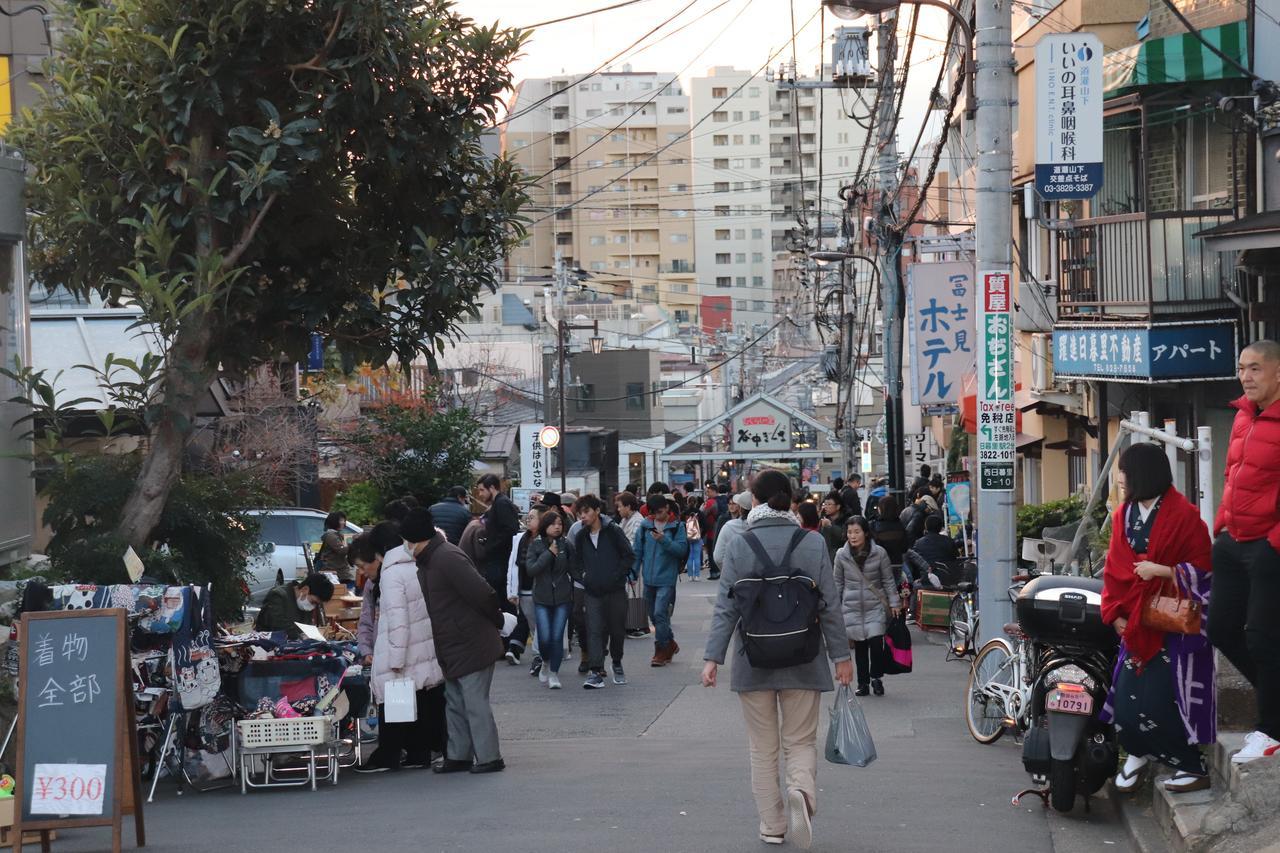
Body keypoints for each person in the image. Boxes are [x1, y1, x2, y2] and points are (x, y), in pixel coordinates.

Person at [702, 470, 853, 849]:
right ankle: (801, 790)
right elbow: (830, 605)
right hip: (804, 655)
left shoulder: (739, 543)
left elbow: (726, 607)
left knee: (762, 747)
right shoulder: (812, 543)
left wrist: (712, 658)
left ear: (755, 501)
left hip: (753, 658)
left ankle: (772, 825)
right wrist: (841, 656)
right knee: (800, 740)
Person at [1098, 443, 1215, 793]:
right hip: (1136, 621)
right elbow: (1115, 569)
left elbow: (1205, 569)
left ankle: (1191, 766)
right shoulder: (1123, 515)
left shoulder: (1184, 514)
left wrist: (1163, 570)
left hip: (1171, 625)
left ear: (1143, 474)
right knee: (1127, 699)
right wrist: (1115, 613)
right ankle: (1136, 752)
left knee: (1163, 699)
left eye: (1125, 470)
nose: (1120, 478)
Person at [1208, 340, 1280, 765]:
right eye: (1241, 368)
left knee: (1263, 638)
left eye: (1255, 369)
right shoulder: (1241, 416)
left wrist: (1274, 544)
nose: (1246, 377)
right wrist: (1221, 526)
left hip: (1268, 546)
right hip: (1232, 540)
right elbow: (1233, 474)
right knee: (1221, 629)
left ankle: (1271, 730)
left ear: (1277, 374)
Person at [404, 507, 506, 774]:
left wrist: (498, 621)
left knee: (474, 702)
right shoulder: (430, 560)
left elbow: (483, 593)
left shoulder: (446, 557)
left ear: (418, 539)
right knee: (456, 701)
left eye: (407, 542)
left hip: (471, 640)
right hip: (453, 642)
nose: (405, 547)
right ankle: (458, 755)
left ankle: (489, 757)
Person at [356, 521, 446, 773]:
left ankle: (390, 755)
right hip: (423, 646)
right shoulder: (415, 566)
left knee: (395, 704)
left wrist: (393, 658)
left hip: (403, 649)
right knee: (420, 700)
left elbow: (396, 621)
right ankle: (418, 753)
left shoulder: (392, 574)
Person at [573, 494, 637, 688]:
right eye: (580, 513)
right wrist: (583, 577)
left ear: (597, 511)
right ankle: (595, 671)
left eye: (586, 512)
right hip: (592, 591)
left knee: (617, 630)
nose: (582, 516)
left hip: (615, 590)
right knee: (594, 629)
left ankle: (616, 663)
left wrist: (617, 576)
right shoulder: (580, 536)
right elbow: (575, 562)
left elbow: (628, 555)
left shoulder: (613, 531)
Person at [834, 516, 901, 697]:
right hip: (851, 606)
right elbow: (837, 583)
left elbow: (888, 580)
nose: (853, 536)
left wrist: (894, 602)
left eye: (857, 532)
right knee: (860, 647)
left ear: (865, 532)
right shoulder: (842, 555)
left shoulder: (879, 553)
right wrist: (834, 608)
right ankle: (863, 683)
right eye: (849, 532)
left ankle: (876, 678)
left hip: (875, 605)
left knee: (876, 643)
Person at [634, 494, 688, 667]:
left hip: (667, 578)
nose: (658, 515)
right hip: (648, 578)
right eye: (654, 513)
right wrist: (632, 572)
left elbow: (681, 550)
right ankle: (670, 643)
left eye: (660, 511)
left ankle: (660, 650)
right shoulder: (645, 526)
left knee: (659, 613)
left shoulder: (677, 526)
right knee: (654, 616)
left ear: (667, 508)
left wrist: (663, 540)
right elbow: (637, 551)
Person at [526, 510, 576, 690]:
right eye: (553, 523)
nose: (557, 527)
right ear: (545, 525)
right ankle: (545, 661)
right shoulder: (536, 545)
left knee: (557, 637)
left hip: (563, 597)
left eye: (560, 524)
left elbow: (574, 569)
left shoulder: (566, 545)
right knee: (545, 637)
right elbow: (531, 570)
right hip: (542, 598)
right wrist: (548, 554)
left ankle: (554, 673)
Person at [507, 508, 544, 678]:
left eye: (532, 518)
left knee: (541, 625)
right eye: (527, 518)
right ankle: (540, 656)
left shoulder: (547, 539)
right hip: (524, 590)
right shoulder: (520, 538)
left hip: (541, 591)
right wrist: (512, 590)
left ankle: (538, 657)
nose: (528, 520)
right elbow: (513, 566)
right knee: (532, 625)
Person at [476, 474, 520, 596]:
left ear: (492, 488)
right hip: (498, 559)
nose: (480, 494)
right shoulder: (499, 503)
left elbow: (510, 530)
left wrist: (491, 545)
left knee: (500, 598)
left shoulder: (502, 503)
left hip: (501, 560)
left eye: (482, 490)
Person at [254, 573, 334, 638]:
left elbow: (307, 627)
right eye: (313, 602)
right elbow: (279, 626)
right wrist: (302, 639)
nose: (313, 606)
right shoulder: (278, 596)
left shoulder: (305, 604)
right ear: (305, 589)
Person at [905, 514, 959, 584]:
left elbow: (914, 562)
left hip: (927, 580)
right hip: (947, 579)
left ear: (926, 527)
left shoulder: (918, 543)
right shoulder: (949, 541)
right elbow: (955, 557)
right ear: (940, 528)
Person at [713, 491, 753, 566]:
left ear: (740, 508)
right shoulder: (723, 519)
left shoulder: (728, 526)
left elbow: (718, 557)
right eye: (729, 504)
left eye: (734, 504)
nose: (731, 506)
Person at [869, 495, 909, 566]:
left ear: (881, 509)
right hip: (897, 563)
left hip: (879, 564)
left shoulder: (873, 525)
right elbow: (904, 548)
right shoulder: (900, 526)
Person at [316, 512, 353, 586]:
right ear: (334, 521)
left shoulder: (336, 534)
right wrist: (354, 544)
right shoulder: (331, 535)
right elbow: (341, 550)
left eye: (344, 520)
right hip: (335, 572)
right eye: (341, 520)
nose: (343, 522)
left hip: (338, 571)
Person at [818, 494, 848, 561]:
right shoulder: (823, 519)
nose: (826, 507)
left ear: (838, 507)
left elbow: (844, 536)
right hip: (825, 556)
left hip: (841, 556)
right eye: (824, 504)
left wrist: (831, 526)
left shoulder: (846, 519)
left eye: (829, 504)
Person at [683, 499, 705, 581]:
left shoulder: (685, 513)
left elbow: (681, 524)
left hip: (687, 538)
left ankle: (690, 576)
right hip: (697, 538)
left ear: (687, 503)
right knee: (696, 556)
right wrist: (701, 535)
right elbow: (705, 524)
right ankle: (697, 576)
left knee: (689, 556)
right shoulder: (699, 513)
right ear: (696, 503)